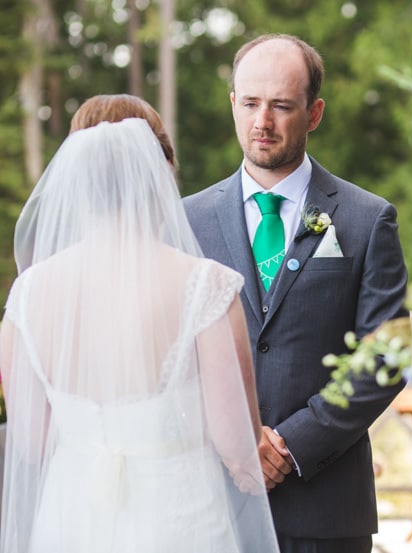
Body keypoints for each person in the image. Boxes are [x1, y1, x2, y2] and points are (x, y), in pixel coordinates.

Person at [0, 107, 280, 553]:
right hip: (178, 520)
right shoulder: (203, 285)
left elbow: (31, 444)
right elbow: (235, 440)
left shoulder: (28, 294)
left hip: (69, 519)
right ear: (160, 171)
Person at [183, 34, 408, 553]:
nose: (262, 121)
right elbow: (170, 353)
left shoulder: (367, 218)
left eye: (282, 106)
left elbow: (386, 357)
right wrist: (236, 443)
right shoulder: (185, 220)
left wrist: (290, 444)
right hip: (209, 505)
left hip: (326, 507)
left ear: (314, 113)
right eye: (250, 103)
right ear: (232, 104)